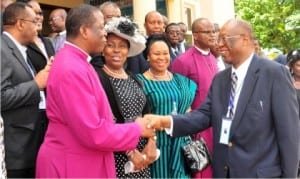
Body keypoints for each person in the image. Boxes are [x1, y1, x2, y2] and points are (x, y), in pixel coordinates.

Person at [146, 18, 300, 178]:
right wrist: (166, 121)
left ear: (245, 39)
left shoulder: (274, 73)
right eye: (218, 39)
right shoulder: (220, 79)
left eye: (224, 39)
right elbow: (203, 115)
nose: (218, 44)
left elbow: (289, 135)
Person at [35, 4, 155, 178]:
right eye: (101, 28)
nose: (104, 35)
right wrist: (136, 129)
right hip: (72, 164)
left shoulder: (79, 62)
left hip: (84, 160)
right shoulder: (72, 68)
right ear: (85, 31)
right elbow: (93, 133)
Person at [91, 16, 157, 178]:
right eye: (110, 45)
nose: (116, 50)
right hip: (118, 156)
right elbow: (105, 122)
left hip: (142, 155)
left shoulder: (134, 78)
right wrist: (130, 153)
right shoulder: (97, 78)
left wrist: (152, 143)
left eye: (122, 46)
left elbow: (146, 115)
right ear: (103, 49)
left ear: (128, 51)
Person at [1, 2, 51, 177]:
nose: (39, 24)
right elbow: (2, 97)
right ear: (20, 23)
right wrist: (36, 85)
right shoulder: (2, 49)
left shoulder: (22, 50)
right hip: (16, 148)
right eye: (33, 20)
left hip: (31, 142)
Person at [137, 34, 197, 178]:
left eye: (165, 53)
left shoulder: (181, 81)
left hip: (181, 144)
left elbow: (189, 109)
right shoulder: (139, 82)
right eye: (156, 54)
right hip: (155, 144)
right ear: (147, 56)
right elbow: (137, 116)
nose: (162, 57)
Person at [170, 17, 218, 178]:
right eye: (207, 32)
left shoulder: (213, 57)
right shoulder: (183, 61)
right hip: (196, 129)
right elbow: (176, 97)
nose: (212, 35)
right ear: (195, 36)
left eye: (214, 31)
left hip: (216, 125)